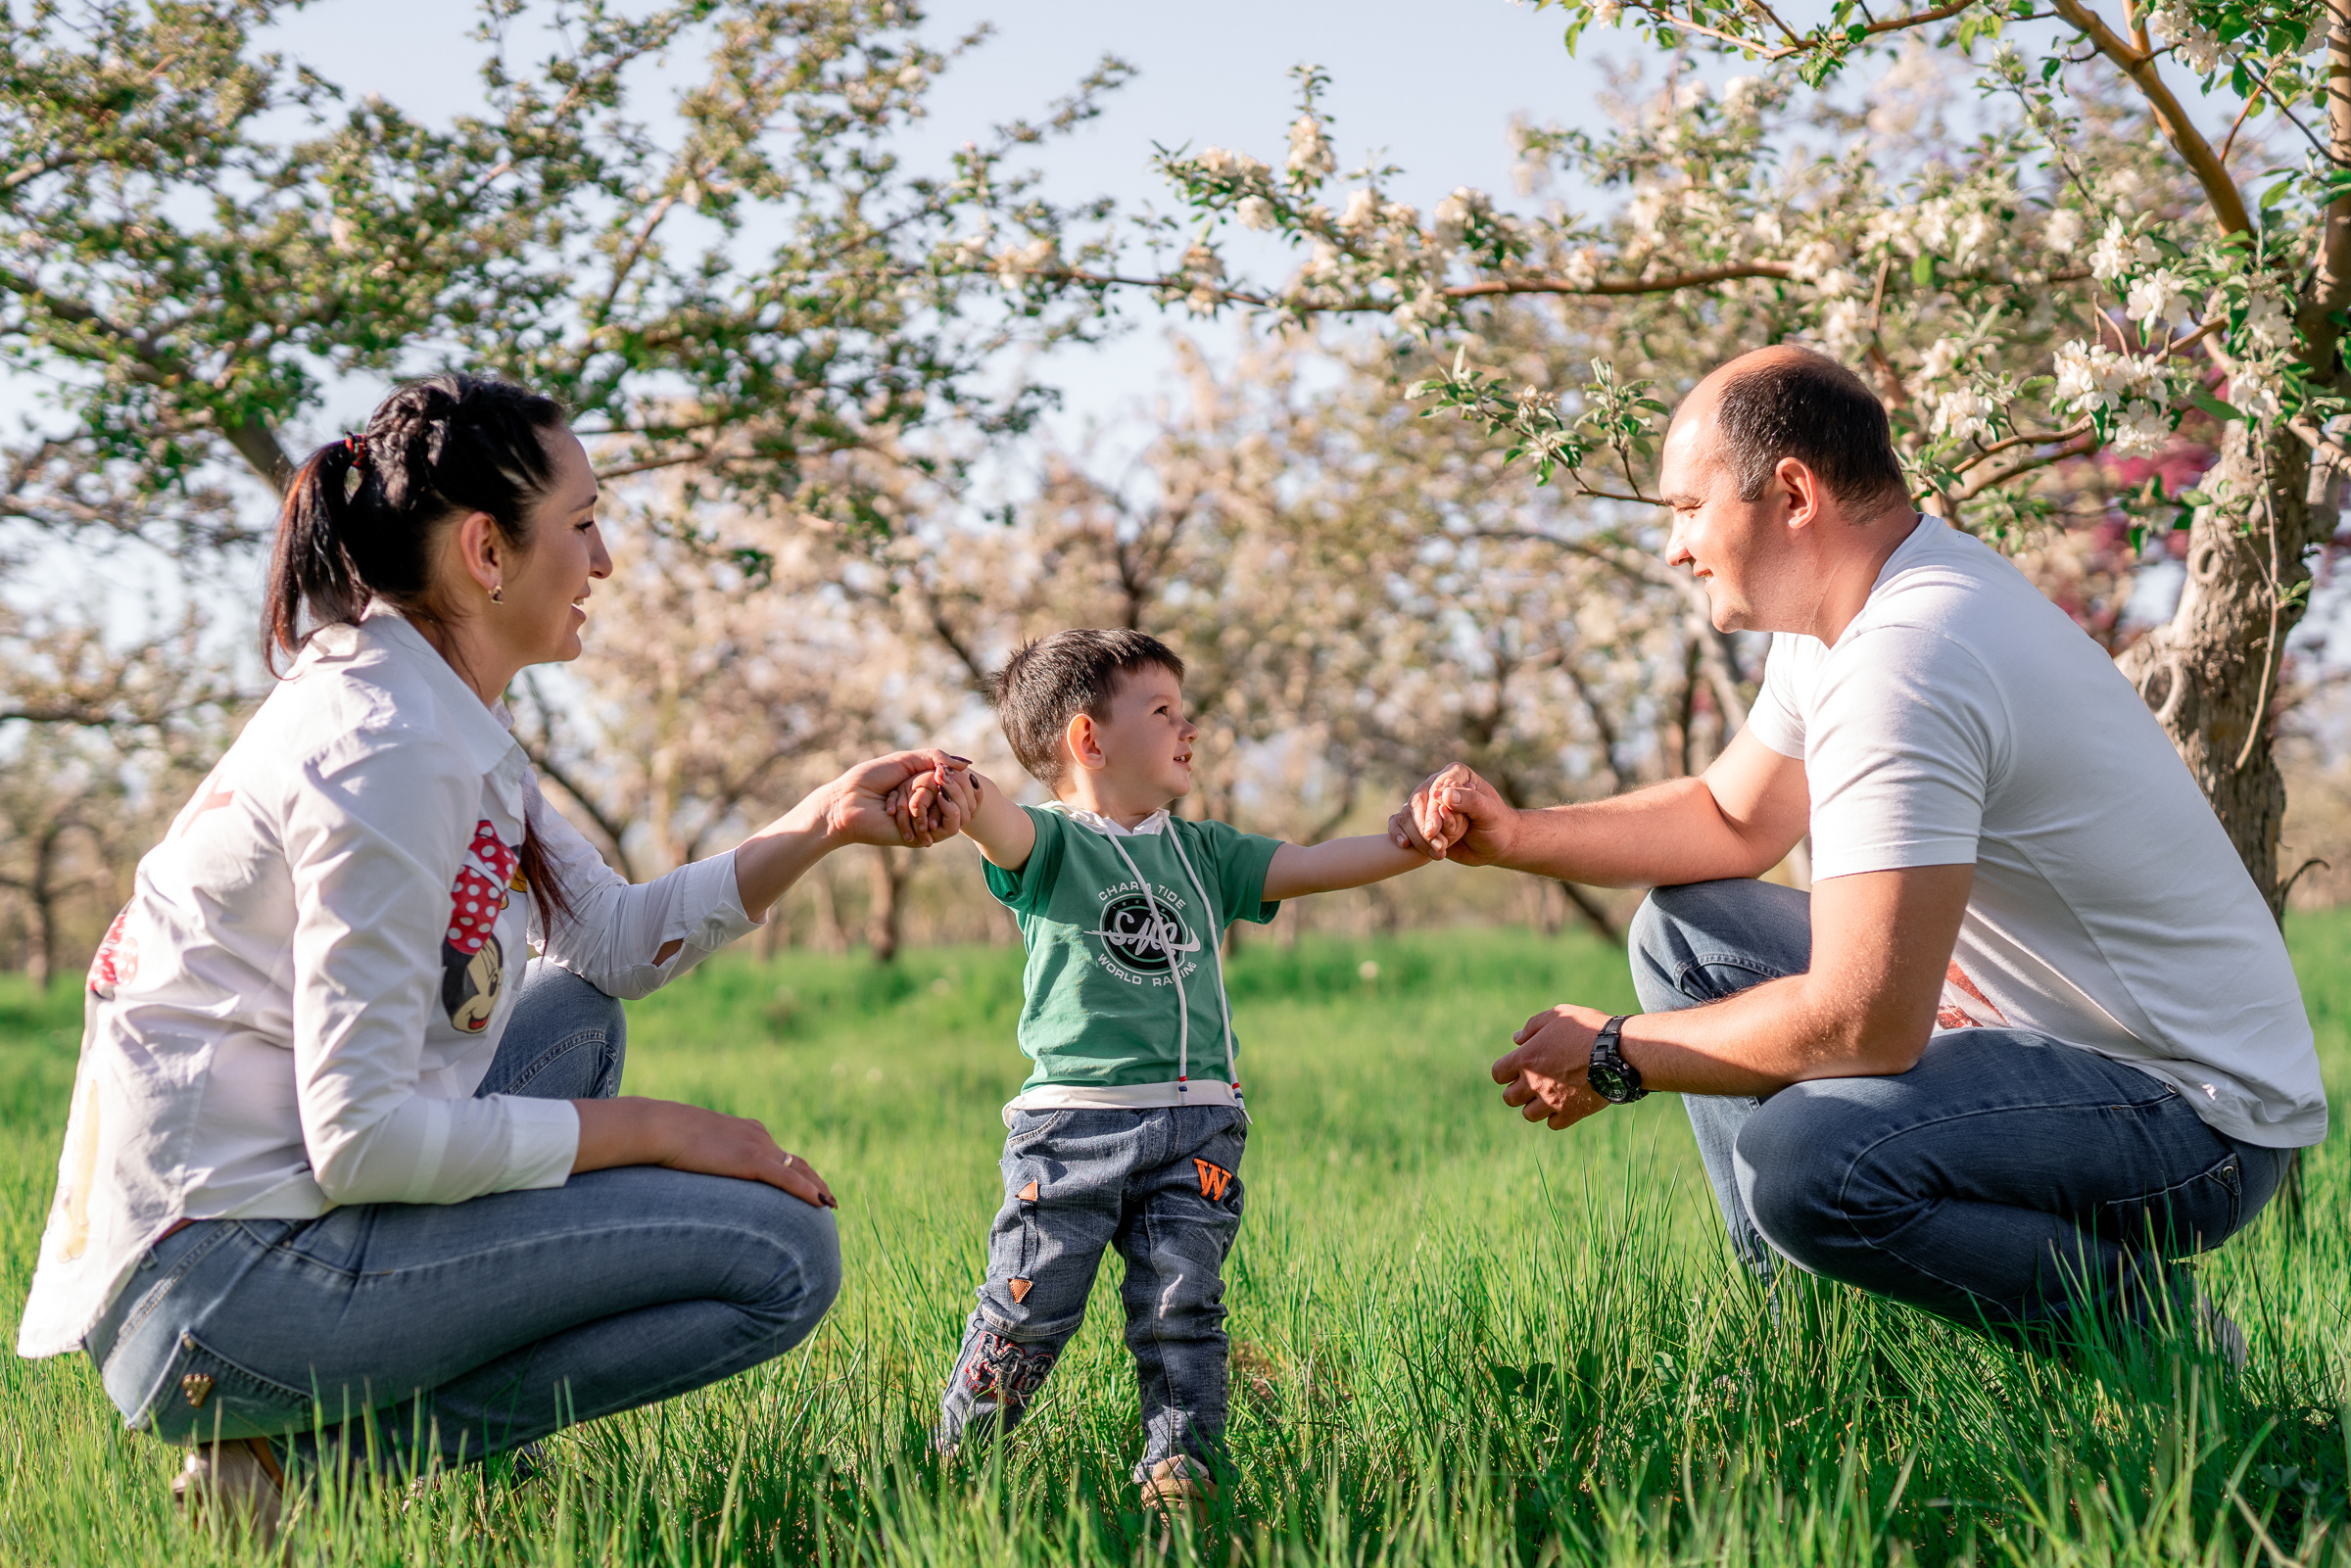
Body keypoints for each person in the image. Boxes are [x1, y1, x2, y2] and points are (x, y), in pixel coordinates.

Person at [15, 372, 972, 1538]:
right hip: (223, 1287)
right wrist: (667, 1130)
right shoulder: (386, 750)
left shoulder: (418, 695)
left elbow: (612, 941)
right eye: (582, 524)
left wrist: (820, 823)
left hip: (236, 1230)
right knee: (785, 1253)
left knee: (575, 1020)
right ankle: (312, 1467)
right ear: (486, 550)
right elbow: (362, 1137)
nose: (606, 558)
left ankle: (309, 1439)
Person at [1390, 347, 2326, 1355]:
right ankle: (1814, 1357)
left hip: (2194, 1118)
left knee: (1803, 1158)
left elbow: (1866, 1023)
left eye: (1687, 508)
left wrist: (1617, 1055)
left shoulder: (1908, 657)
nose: (1675, 547)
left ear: (1792, 492)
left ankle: (2179, 1348)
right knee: (1684, 930)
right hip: (2047, 1042)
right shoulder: (1845, 618)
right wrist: (1520, 837)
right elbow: (1730, 816)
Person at [921, 630, 1429, 1524]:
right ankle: (958, 1464)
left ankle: (1180, 1469)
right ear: (1089, 739)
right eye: (1163, 712)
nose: (1189, 729)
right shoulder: (1049, 848)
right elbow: (995, 821)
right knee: (1030, 1309)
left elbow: (1312, 867)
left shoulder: (1205, 853)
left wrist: (1415, 843)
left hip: (1199, 1124)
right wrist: (958, 795)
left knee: (1181, 1308)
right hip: (1073, 1130)